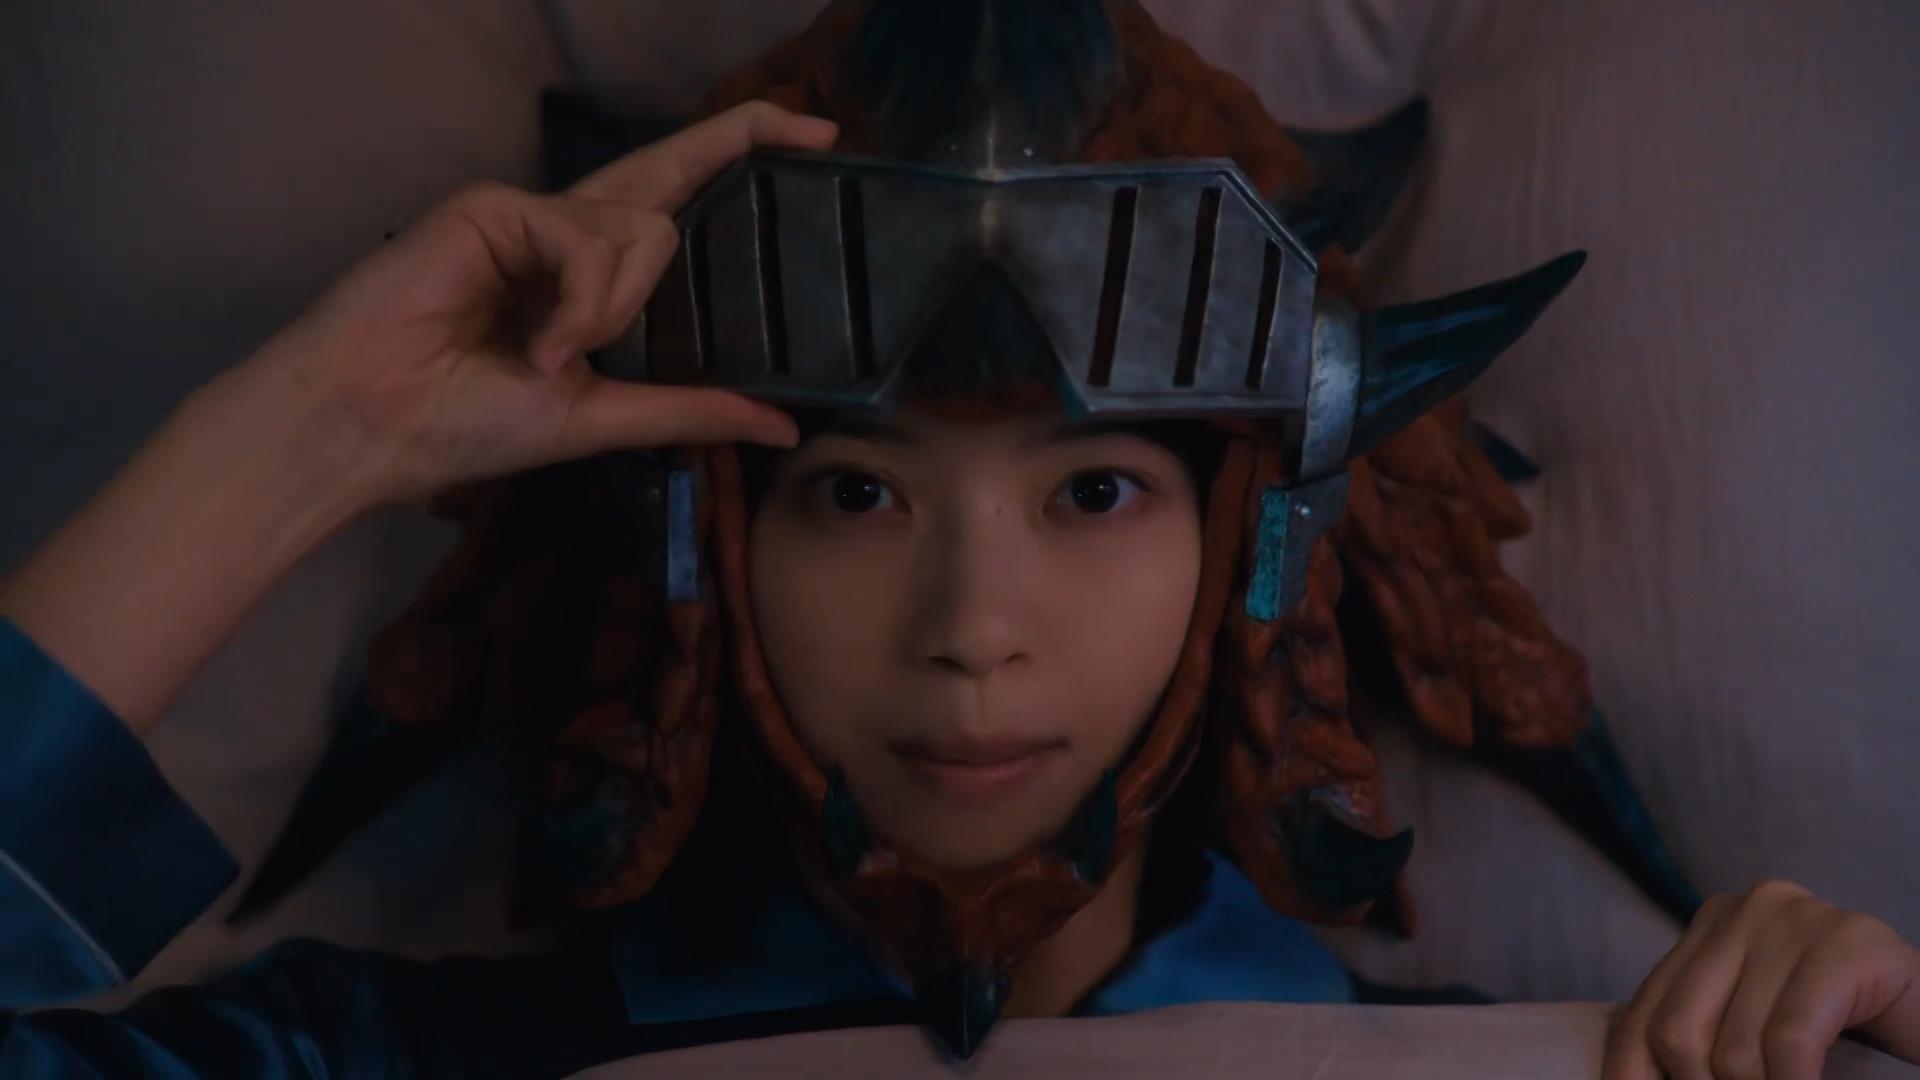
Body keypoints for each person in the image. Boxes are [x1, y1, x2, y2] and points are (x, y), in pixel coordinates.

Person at [3, 5, 1916, 1079]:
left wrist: (1873, 1026)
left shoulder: (1567, 1070)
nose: (973, 628)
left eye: (1094, 491)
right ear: (706, 547)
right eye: (856, 493)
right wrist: (321, 431)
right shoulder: (382, 1067)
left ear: (1255, 543)